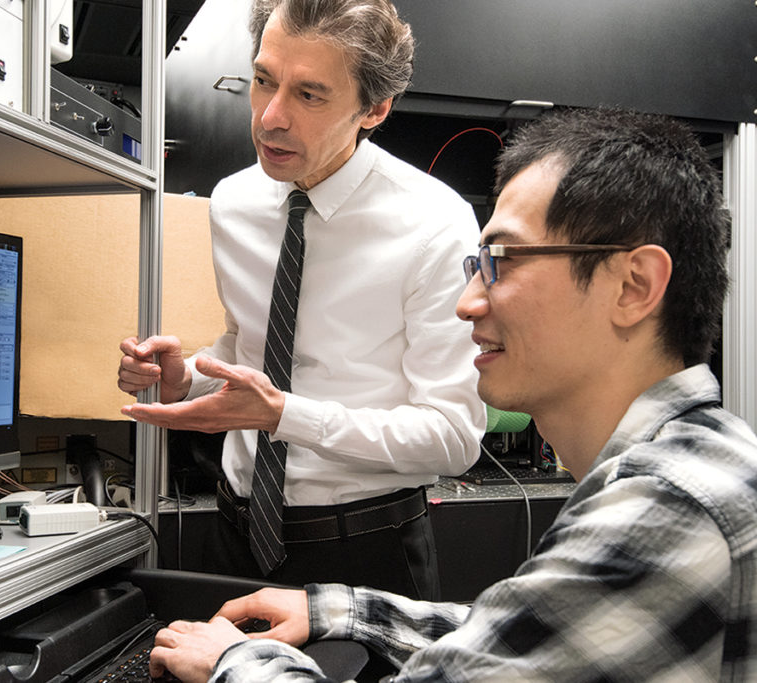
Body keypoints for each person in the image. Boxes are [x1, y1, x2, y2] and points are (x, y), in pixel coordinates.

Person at [145, 107, 757, 683]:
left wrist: (237, 661)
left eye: (502, 260)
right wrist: (342, 611)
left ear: (633, 286)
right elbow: (528, 633)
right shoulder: (693, 465)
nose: (466, 303)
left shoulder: (665, 512)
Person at [117, 0, 484, 600]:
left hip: (365, 549)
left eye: (310, 95)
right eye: (263, 81)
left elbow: (453, 437)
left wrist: (285, 416)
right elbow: (251, 350)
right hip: (234, 533)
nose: (270, 118)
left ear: (375, 108)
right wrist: (187, 380)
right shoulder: (233, 202)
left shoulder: (435, 224)